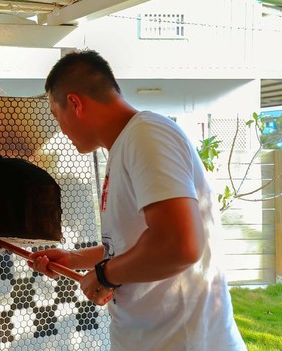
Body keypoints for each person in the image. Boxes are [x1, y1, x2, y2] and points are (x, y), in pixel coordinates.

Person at [29, 50, 246, 351]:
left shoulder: (147, 135)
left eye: (57, 116)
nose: (61, 130)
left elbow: (179, 244)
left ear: (75, 104)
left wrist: (105, 275)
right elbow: (131, 244)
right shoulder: (125, 146)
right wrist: (75, 259)